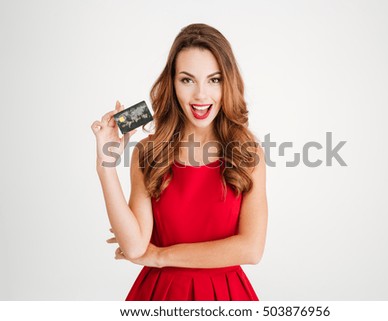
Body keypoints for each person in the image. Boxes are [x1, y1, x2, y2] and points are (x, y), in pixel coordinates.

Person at [91, 23, 268, 301]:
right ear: (172, 84)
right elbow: (135, 247)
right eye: (187, 80)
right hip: (161, 297)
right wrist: (106, 165)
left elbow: (251, 249)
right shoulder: (148, 153)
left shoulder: (248, 152)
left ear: (228, 83)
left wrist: (160, 256)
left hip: (226, 298)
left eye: (214, 79)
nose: (200, 95)